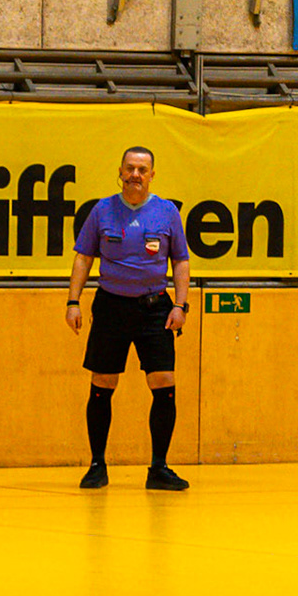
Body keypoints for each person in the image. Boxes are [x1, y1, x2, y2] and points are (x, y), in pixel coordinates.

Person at [66, 145, 192, 491]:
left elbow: (180, 260)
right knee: (102, 384)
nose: (135, 174)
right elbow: (83, 257)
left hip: (155, 309)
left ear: (152, 175)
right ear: (120, 172)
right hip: (111, 307)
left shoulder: (166, 212)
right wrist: (73, 301)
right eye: (130, 168)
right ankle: (97, 465)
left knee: (164, 383)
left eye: (142, 169)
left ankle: (159, 468)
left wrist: (181, 306)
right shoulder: (102, 210)